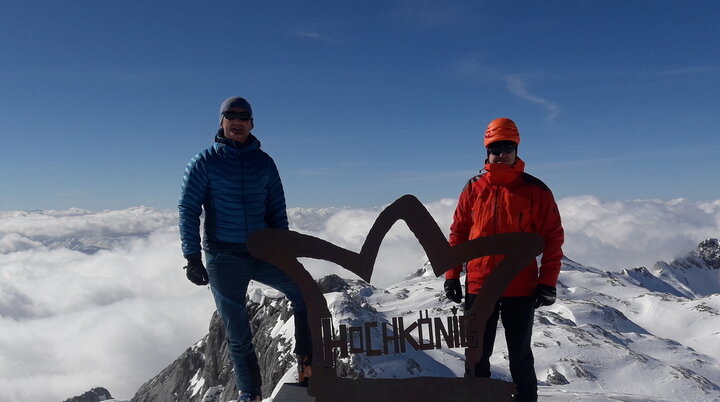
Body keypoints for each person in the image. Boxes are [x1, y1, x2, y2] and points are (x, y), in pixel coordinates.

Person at [178, 97, 311, 402]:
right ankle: (249, 394)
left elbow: (277, 209)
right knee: (238, 334)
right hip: (223, 255)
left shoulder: (264, 162)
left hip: (264, 251)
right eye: (231, 116)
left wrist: (284, 249)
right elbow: (188, 209)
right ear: (221, 121)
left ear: (251, 123)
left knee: (304, 292)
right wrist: (191, 257)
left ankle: (308, 370)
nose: (237, 122)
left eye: (244, 116)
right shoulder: (204, 161)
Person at [443, 117, 564, 402]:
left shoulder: (535, 190)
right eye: (496, 148)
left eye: (508, 147)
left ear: (517, 150)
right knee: (475, 357)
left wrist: (547, 282)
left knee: (520, 356)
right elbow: (458, 232)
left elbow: (553, 237)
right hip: (479, 285)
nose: (501, 153)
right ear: (487, 151)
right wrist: (452, 275)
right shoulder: (473, 187)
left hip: (520, 286)